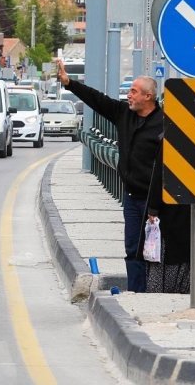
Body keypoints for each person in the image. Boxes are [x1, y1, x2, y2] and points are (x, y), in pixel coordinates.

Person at [56, 59, 168, 293]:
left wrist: (155, 207)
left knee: (155, 250)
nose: (129, 95)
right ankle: (137, 294)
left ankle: (156, 292)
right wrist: (69, 83)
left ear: (148, 96)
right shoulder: (123, 114)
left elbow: (167, 166)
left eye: (134, 92)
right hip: (131, 196)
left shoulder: (163, 124)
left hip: (156, 201)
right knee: (132, 249)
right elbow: (97, 100)